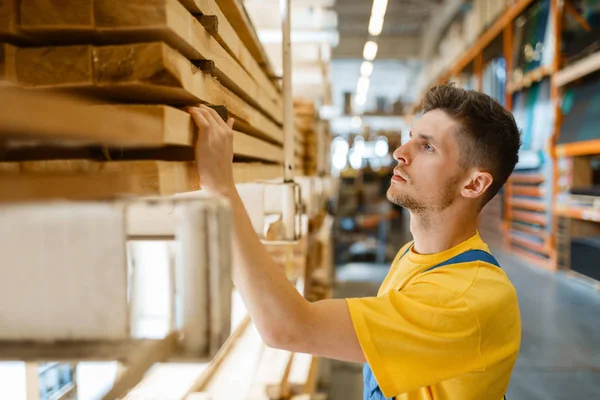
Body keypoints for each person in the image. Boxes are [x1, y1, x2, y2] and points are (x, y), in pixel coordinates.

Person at [186, 83, 522, 400]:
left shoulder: (466, 301)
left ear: (474, 184)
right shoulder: (417, 255)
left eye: (427, 147)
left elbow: (288, 328)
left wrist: (222, 190)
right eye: (410, 139)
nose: (399, 152)